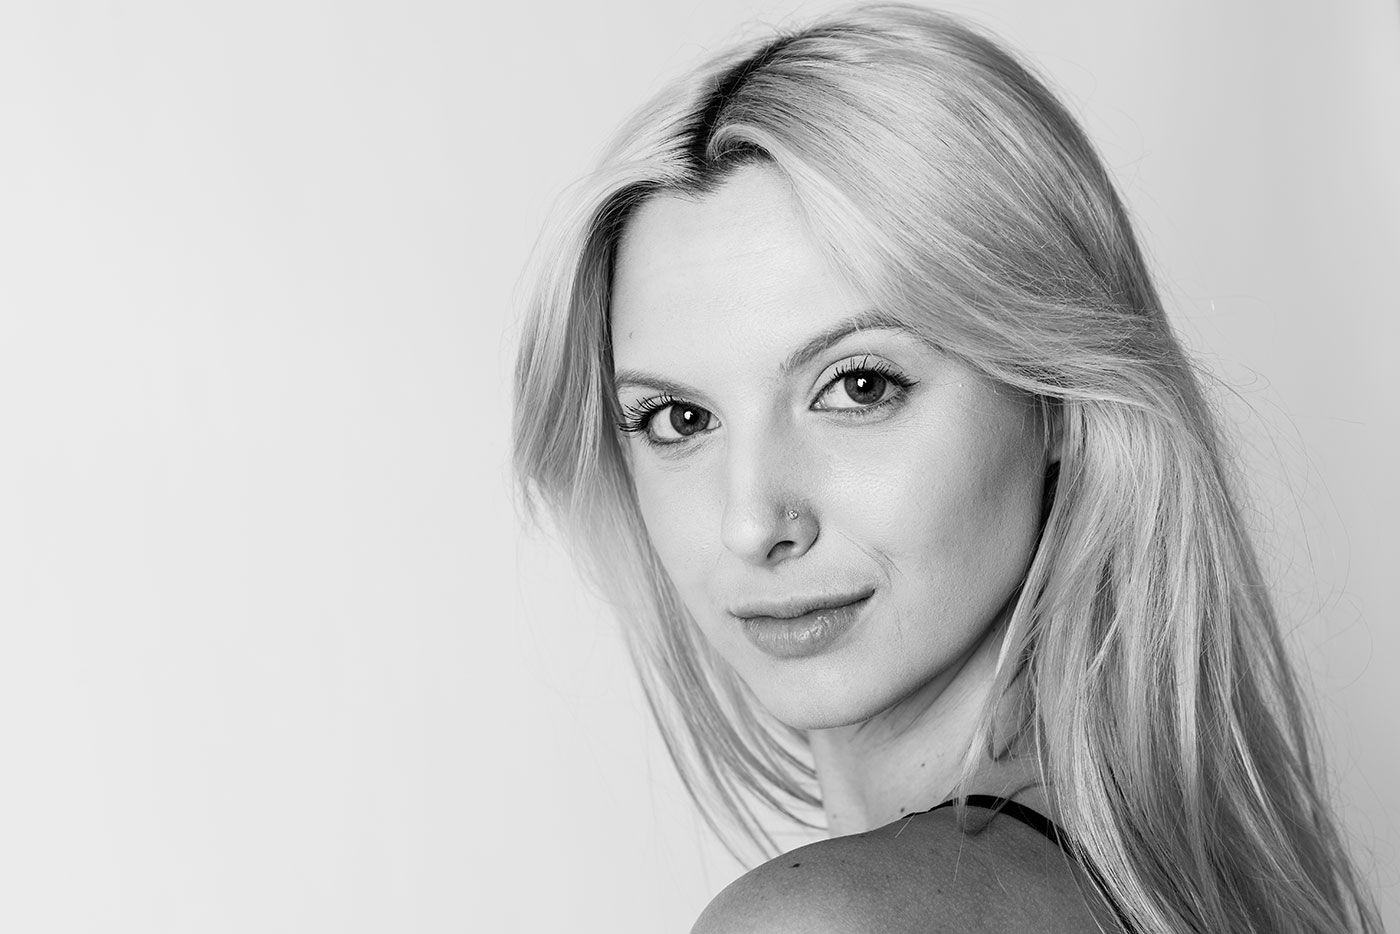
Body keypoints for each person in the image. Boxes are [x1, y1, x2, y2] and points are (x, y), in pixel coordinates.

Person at [510, 4, 1382, 932]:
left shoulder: (821, 920)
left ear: (1054, 398)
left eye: (859, 386)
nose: (753, 521)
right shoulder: (1195, 888)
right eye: (680, 419)